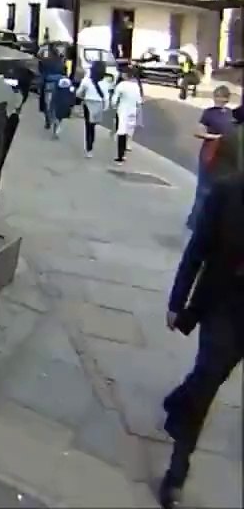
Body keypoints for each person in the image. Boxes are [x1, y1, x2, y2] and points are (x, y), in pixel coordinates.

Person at [160, 112, 244, 509]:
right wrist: (177, 302)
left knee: (205, 378)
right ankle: (176, 472)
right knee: (209, 377)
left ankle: (178, 401)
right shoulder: (229, 193)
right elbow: (197, 253)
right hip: (225, 304)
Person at [186, 85, 234, 229]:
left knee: (218, 189)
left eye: (222, 97)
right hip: (209, 152)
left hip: (224, 154)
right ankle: (194, 221)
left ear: (227, 99)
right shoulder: (208, 113)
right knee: (203, 188)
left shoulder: (231, 114)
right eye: (216, 96)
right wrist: (214, 137)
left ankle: (210, 221)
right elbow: (197, 132)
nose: (219, 100)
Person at [75, 62, 112, 158]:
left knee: (88, 126)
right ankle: (91, 145)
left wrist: (79, 96)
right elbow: (106, 97)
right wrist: (106, 106)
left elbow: (79, 93)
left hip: (88, 103)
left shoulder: (86, 80)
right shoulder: (105, 82)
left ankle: (89, 148)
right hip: (99, 104)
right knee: (93, 126)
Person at [111, 66, 143, 163]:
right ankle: (125, 150)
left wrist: (114, 106)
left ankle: (120, 156)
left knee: (121, 132)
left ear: (125, 75)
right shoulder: (136, 86)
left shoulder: (121, 85)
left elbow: (114, 99)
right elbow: (139, 101)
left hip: (123, 110)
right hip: (132, 111)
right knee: (129, 130)